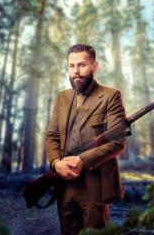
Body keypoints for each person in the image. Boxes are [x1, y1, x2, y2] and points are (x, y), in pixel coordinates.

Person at [45, 44, 127, 235]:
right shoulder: (62, 98)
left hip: (95, 184)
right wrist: (56, 163)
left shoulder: (110, 96)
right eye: (71, 66)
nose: (76, 71)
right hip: (64, 184)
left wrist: (81, 160)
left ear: (94, 66)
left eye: (81, 65)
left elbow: (117, 142)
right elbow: (52, 136)